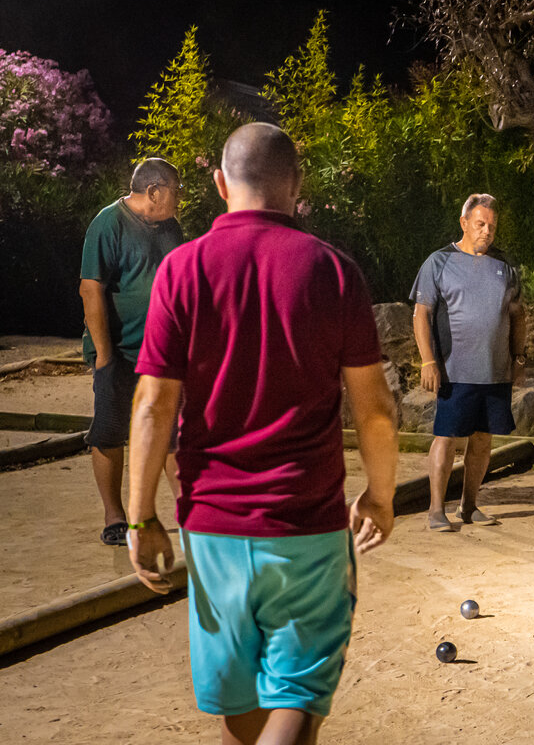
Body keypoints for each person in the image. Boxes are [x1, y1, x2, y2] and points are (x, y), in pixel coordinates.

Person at [127, 122, 398, 743]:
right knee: (297, 698)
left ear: (220, 184)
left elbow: (152, 407)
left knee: (242, 706)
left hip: (212, 525)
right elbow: (375, 411)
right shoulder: (334, 272)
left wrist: (141, 518)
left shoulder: (181, 269)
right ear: (297, 185)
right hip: (305, 523)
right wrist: (381, 496)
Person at [79, 157, 184, 545]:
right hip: (120, 351)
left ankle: (190, 512)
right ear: (154, 191)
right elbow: (91, 289)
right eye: (176, 190)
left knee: (173, 432)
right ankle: (114, 517)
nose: (180, 198)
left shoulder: (171, 227)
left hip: (162, 353)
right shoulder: (108, 223)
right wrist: (105, 356)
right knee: (110, 430)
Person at [410, 193, 526, 532]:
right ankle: (435, 510)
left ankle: (469, 505)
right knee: (446, 437)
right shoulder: (439, 262)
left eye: (492, 225)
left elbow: (518, 316)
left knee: (483, 440)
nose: (487, 231)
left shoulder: (505, 266)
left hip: (495, 370)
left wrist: (519, 357)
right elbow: (421, 314)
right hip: (453, 370)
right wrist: (428, 361)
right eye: (480, 224)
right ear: (464, 223)